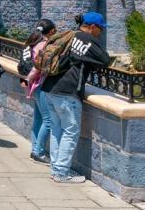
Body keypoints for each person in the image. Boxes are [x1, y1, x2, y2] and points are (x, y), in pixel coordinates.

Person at [41, 11, 111, 183]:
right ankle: (61, 172)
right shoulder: (87, 39)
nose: (101, 32)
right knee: (70, 132)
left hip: (49, 88)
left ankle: (56, 168)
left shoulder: (69, 35)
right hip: (67, 92)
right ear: (93, 27)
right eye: (101, 29)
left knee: (57, 130)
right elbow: (105, 60)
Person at [21, 18, 57, 164]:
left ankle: (35, 149)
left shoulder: (33, 43)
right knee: (48, 120)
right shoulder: (44, 45)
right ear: (52, 31)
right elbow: (37, 67)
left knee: (38, 118)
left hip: (34, 86)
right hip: (40, 85)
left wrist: (26, 81)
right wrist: (29, 79)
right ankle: (38, 152)